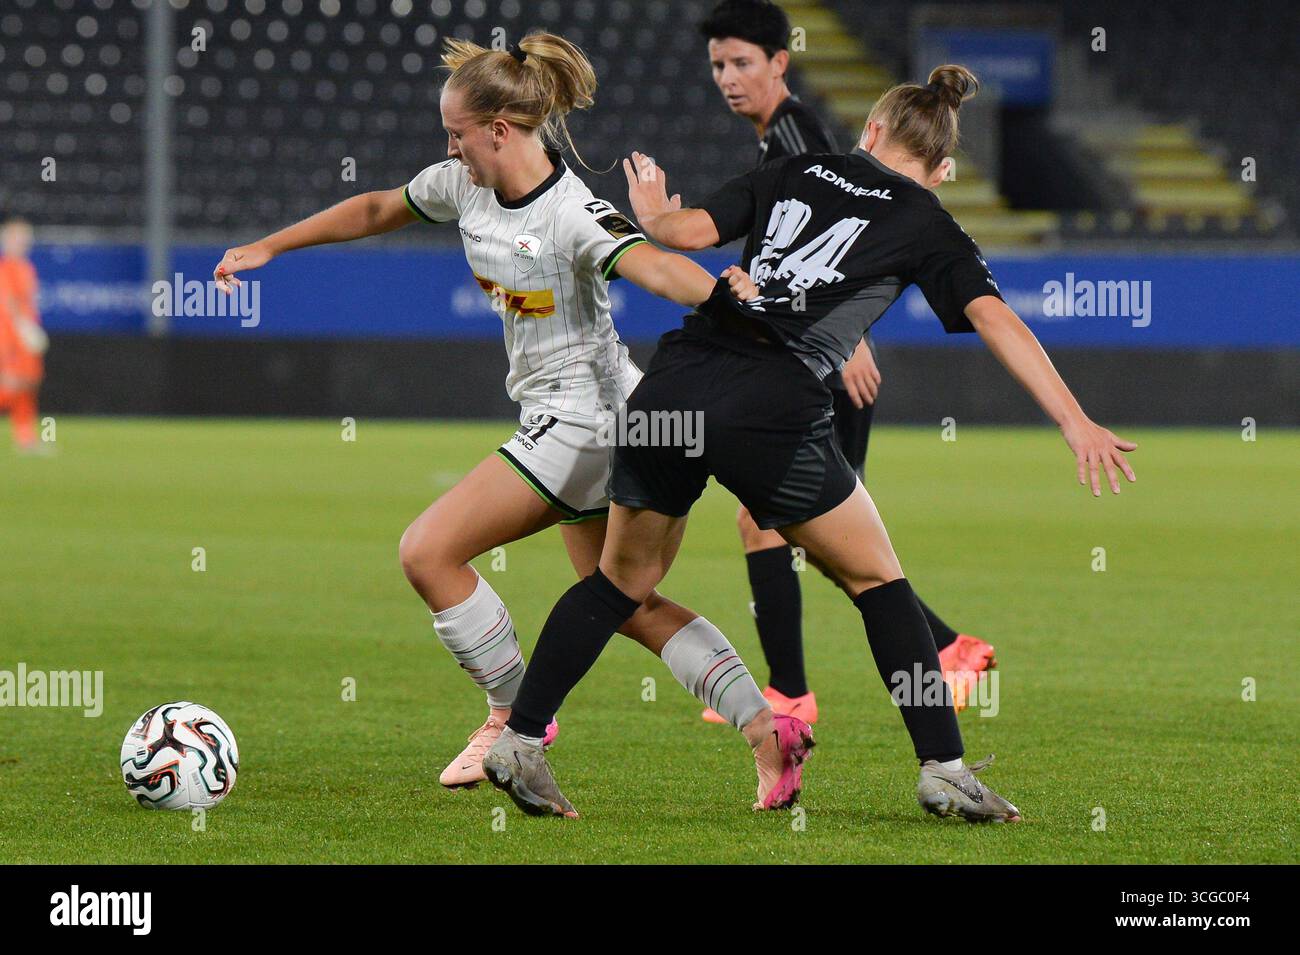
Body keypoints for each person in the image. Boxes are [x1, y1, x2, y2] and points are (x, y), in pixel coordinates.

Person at [485, 65, 1137, 822]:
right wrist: (1073, 419)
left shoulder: (796, 165)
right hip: (770, 402)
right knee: (879, 583)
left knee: (618, 582)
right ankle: (946, 769)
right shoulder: (929, 219)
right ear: (946, 170)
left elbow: (686, 233)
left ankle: (521, 740)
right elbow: (995, 317)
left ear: (870, 131)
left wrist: (654, 213)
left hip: (673, 384)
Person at [212, 33, 808, 814]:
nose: (448, 146)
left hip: (587, 421)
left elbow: (654, 266)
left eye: (457, 133)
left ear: (499, 129)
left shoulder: (572, 214)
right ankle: (767, 730)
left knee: (428, 551)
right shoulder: (463, 186)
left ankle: (513, 719)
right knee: (624, 601)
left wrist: (726, 298)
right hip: (588, 417)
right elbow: (375, 206)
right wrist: (270, 245)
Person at [699, 0, 994, 721]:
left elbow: (843, 248)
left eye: (742, 63)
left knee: (792, 525)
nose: (728, 79)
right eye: (717, 65)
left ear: (780, 63)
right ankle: (942, 650)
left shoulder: (796, 137)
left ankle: (795, 691)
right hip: (803, 358)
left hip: (819, 367)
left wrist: (851, 344)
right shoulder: (781, 137)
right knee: (802, 526)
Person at [0, 217, 48, 453]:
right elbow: (8, 305)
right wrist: (21, 331)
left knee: (28, 385)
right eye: (18, 237)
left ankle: (25, 438)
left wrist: (34, 328)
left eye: (25, 238)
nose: (23, 242)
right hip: (10, 337)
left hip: (26, 338)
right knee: (10, 385)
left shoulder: (27, 268)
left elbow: (30, 304)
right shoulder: (5, 269)